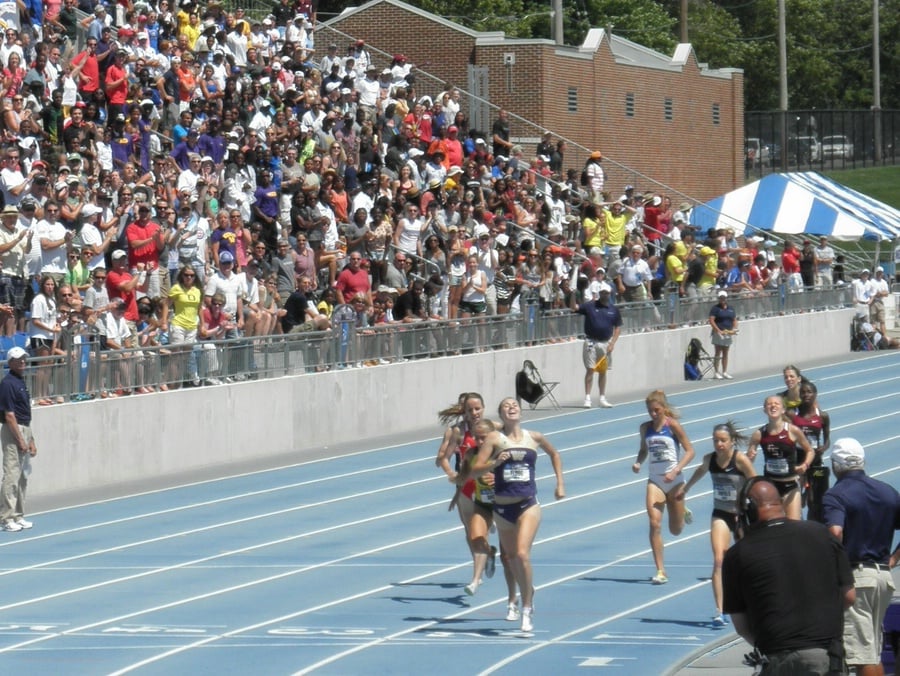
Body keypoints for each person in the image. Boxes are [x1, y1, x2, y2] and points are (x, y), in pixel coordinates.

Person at [723, 478, 856, 675]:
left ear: (749, 510)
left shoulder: (737, 555)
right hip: (825, 657)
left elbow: (741, 626)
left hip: (777, 657)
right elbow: (849, 596)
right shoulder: (822, 534)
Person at [470, 397, 565, 632]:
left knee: (522, 554)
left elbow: (554, 454)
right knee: (511, 559)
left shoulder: (534, 437)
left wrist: (560, 483)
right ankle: (524, 591)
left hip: (527, 504)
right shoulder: (494, 439)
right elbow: (474, 471)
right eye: (506, 406)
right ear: (501, 416)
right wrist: (494, 464)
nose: (511, 407)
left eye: (514, 405)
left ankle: (527, 606)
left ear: (520, 411)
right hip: (502, 508)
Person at [823, 438, 900, 676]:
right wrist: (894, 559)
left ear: (835, 465)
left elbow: (835, 531)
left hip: (855, 578)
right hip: (883, 578)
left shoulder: (836, 495)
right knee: (871, 650)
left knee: (861, 654)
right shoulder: (887, 492)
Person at [682, 421, 755, 626]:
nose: (719, 444)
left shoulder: (740, 460)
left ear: (732, 441)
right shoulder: (710, 460)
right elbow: (700, 471)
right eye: (715, 440)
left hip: (741, 515)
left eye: (723, 440)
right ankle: (720, 611)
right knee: (719, 560)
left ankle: (751, 602)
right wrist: (685, 489)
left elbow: (756, 482)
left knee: (747, 563)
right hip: (721, 514)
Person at [631, 390, 696, 585]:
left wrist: (676, 470)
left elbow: (690, 451)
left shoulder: (672, 425)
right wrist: (638, 462)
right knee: (654, 524)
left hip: (674, 481)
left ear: (664, 409)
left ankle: (682, 509)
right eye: (650, 411)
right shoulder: (645, 428)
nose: (653, 414)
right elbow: (644, 450)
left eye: (656, 410)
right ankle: (661, 570)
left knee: (675, 530)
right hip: (655, 481)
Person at [435, 393, 496, 596]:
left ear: (484, 408)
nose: (474, 413)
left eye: (477, 408)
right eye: (470, 410)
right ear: (465, 411)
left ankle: (475, 578)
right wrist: (452, 474)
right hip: (465, 489)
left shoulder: (494, 428)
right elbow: (443, 458)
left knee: (481, 532)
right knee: (471, 535)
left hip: (487, 487)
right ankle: (487, 554)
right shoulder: (459, 432)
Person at [746, 395, 815, 520]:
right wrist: (750, 457)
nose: (773, 405)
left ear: (783, 409)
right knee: (773, 525)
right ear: (764, 410)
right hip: (770, 487)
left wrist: (805, 465)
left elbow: (810, 450)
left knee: (793, 525)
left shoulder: (793, 430)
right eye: (769, 404)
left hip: (790, 486)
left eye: (777, 403)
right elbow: (747, 462)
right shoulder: (759, 434)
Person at [0, 346, 37, 532]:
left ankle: (18, 515)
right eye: (18, 359)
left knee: (22, 476)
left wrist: (31, 440)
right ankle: (6, 518)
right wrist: (21, 439)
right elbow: (9, 415)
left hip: (24, 428)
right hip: (13, 430)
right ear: (10, 362)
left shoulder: (20, 381)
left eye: (24, 358)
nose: (22, 362)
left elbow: (25, 414)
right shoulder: (7, 384)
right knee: (12, 475)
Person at [575, 280, 621, 408]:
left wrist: (612, 343)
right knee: (590, 369)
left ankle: (602, 397)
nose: (604, 295)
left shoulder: (613, 310)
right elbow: (574, 308)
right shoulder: (590, 306)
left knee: (603, 371)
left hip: (605, 343)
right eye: (602, 293)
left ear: (610, 293)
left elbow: (617, 327)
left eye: (606, 293)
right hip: (591, 341)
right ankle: (588, 398)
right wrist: (573, 295)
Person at [790, 380, 831, 522]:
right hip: (798, 459)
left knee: (815, 497)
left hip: (816, 461)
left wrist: (823, 448)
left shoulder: (823, 416)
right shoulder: (792, 415)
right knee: (795, 493)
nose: (806, 394)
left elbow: (827, 439)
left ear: (815, 394)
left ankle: (812, 520)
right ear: (799, 395)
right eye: (803, 392)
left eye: (809, 392)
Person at [708, 289, 737, 379]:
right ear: (718, 298)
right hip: (719, 333)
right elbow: (711, 320)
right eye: (721, 298)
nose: (722, 299)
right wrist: (718, 330)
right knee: (718, 352)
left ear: (726, 298)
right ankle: (716, 372)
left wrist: (734, 329)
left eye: (724, 298)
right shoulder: (715, 308)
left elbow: (734, 320)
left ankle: (724, 371)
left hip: (727, 333)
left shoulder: (731, 308)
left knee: (725, 352)